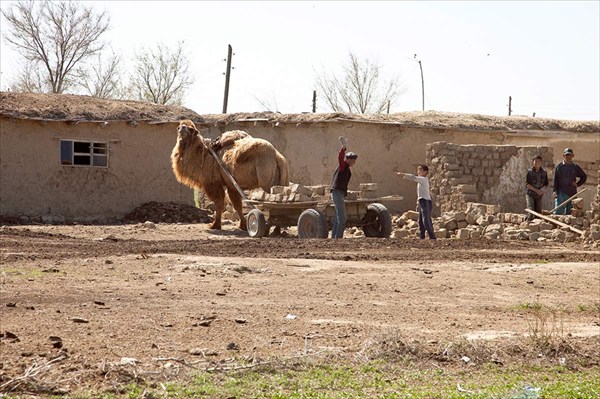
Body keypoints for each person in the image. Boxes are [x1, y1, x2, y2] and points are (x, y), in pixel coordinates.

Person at [396, 165, 436, 240]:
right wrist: (418, 203)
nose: (418, 172)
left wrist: (403, 174)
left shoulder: (423, 179)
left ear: (425, 172)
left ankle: (432, 237)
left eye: (420, 170)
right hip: (422, 201)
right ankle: (422, 236)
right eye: (418, 170)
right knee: (421, 221)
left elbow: (413, 177)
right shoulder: (421, 180)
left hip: (425, 201)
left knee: (426, 220)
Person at [330, 136, 358, 239]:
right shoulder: (343, 166)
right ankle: (339, 238)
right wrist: (343, 147)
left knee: (338, 217)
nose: (354, 162)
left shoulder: (347, 169)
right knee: (342, 217)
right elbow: (340, 157)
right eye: (353, 160)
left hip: (340, 193)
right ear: (349, 160)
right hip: (337, 192)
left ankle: (334, 237)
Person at [553, 148, 587, 215]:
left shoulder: (575, 167)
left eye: (570, 155)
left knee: (571, 212)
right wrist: (555, 191)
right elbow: (555, 180)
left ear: (573, 156)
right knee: (558, 212)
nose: (568, 157)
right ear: (563, 155)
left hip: (572, 192)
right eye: (566, 155)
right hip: (561, 193)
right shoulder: (559, 167)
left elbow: (584, 176)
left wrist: (577, 184)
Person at [525, 155, 549, 221]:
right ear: (533, 162)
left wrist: (542, 190)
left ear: (541, 162)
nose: (537, 162)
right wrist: (536, 190)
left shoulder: (544, 172)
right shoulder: (529, 172)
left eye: (538, 161)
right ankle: (527, 224)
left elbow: (546, 183)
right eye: (535, 161)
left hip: (539, 195)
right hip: (530, 194)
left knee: (538, 213)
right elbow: (527, 184)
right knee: (530, 211)